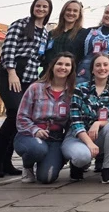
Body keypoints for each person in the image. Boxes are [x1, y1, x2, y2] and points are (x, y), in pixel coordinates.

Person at [0, 0, 52, 178]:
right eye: (38, 5)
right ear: (33, 7)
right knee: (15, 113)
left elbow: (39, 56)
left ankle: (5, 161)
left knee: (20, 117)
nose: (41, 9)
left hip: (30, 76)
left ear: (49, 11)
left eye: (45, 7)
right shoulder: (20, 24)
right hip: (13, 72)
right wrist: (11, 71)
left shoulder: (45, 32)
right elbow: (8, 47)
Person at [14, 52, 75, 184]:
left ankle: (51, 159)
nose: (63, 67)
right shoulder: (36, 88)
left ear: (71, 69)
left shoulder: (72, 93)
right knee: (38, 149)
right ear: (52, 66)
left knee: (46, 178)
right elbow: (21, 117)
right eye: (59, 63)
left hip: (55, 138)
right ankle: (27, 166)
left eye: (67, 65)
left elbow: (73, 121)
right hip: (30, 135)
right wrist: (35, 130)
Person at [62, 53, 109, 184]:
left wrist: (98, 123)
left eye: (105, 65)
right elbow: (75, 121)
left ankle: (106, 168)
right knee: (81, 157)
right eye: (98, 65)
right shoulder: (80, 88)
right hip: (77, 136)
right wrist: (89, 143)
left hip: (98, 135)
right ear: (92, 69)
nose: (102, 68)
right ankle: (78, 164)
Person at [42, 0, 86, 75]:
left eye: (75, 11)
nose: (71, 13)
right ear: (63, 12)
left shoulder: (84, 34)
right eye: (68, 10)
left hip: (70, 78)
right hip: (49, 76)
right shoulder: (51, 34)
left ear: (79, 15)